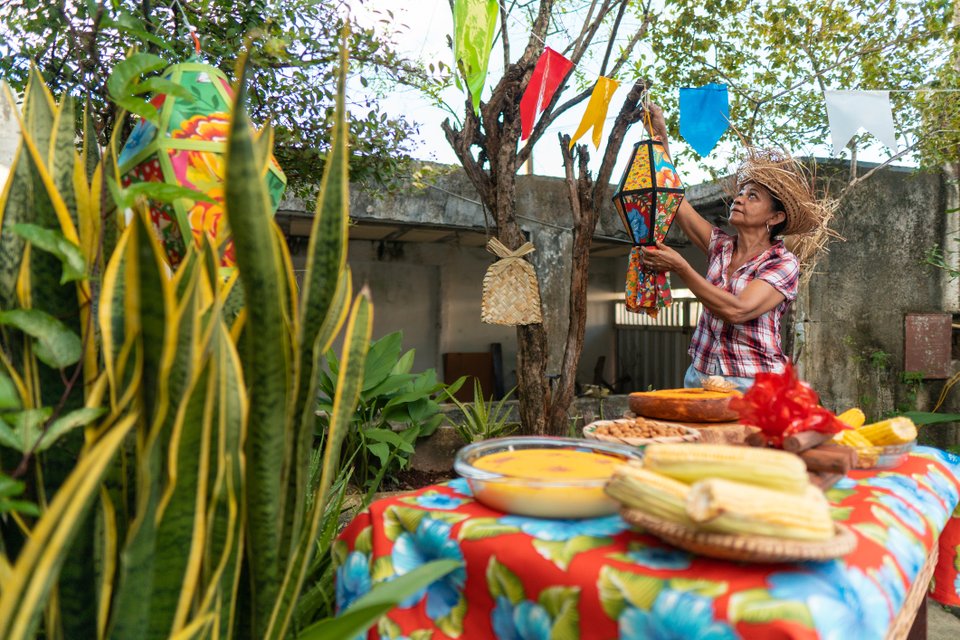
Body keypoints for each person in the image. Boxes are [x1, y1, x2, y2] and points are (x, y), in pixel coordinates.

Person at [639, 103, 830, 392]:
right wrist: (660, 138)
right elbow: (674, 199)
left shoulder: (783, 262)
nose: (739, 199)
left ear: (775, 217)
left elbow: (738, 311)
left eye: (753, 196)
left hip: (753, 383)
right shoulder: (721, 246)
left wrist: (681, 268)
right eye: (741, 193)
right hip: (701, 375)